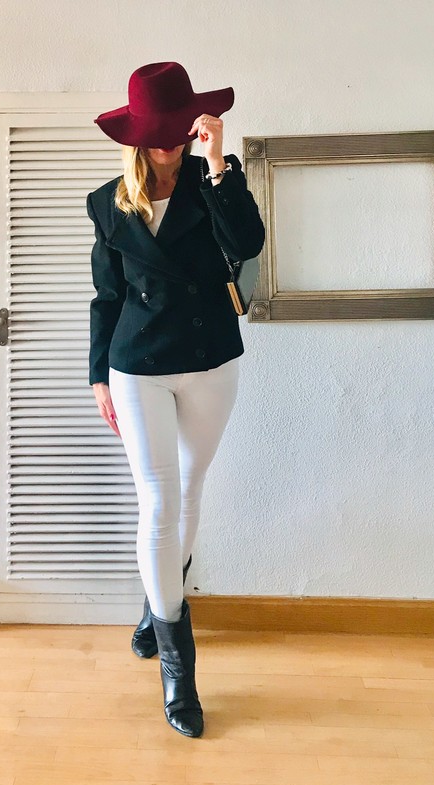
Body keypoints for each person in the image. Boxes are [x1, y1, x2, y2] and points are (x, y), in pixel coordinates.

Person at [86, 62, 265, 738]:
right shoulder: (107, 203)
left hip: (210, 360)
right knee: (159, 502)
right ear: (136, 135)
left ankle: (154, 603)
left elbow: (247, 244)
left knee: (190, 490)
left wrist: (219, 164)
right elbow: (107, 296)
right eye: (156, 131)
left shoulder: (211, 179)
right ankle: (177, 670)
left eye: (177, 129)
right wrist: (97, 375)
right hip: (137, 366)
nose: (168, 142)